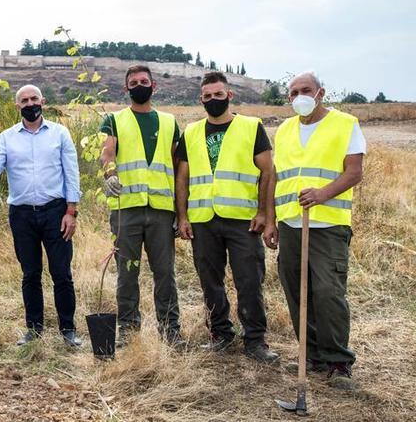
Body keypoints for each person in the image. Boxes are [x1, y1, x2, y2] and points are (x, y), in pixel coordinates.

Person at [263, 72, 365, 389]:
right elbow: (278, 176)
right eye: (293, 92)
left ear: (320, 92)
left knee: (328, 293)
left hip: (328, 224)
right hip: (291, 223)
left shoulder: (345, 124)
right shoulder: (285, 130)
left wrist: (323, 193)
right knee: (297, 292)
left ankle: (337, 361)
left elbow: (354, 172)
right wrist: (272, 219)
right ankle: (312, 356)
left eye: (305, 90)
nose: (299, 96)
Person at [175, 71, 279, 363]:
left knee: (249, 280)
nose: (213, 100)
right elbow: (182, 177)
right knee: (210, 280)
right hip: (203, 219)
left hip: (242, 219)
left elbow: (268, 172)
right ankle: (220, 334)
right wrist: (182, 216)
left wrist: (264, 212)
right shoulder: (192, 131)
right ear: (201, 99)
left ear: (229, 96)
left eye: (218, 95)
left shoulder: (250, 127)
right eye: (207, 96)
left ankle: (255, 341)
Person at [0, 85, 83, 348]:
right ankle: (34, 330)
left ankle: (68, 330)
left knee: (62, 273)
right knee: (30, 274)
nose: (30, 103)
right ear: (16, 105)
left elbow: (72, 173)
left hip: (56, 212)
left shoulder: (59, 133)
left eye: (34, 99)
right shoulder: (7, 137)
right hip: (22, 215)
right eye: (24, 100)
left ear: (43, 101)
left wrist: (71, 211)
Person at [98, 64, 183, 347]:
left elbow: (177, 165)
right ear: (126, 89)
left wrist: (180, 212)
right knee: (127, 272)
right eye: (133, 82)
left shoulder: (170, 123)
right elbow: (107, 154)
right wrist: (109, 175)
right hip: (127, 210)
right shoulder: (114, 120)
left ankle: (170, 331)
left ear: (153, 86)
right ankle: (128, 330)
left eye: (144, 81)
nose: (139, 85)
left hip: (161, 210)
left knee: (165, 273)